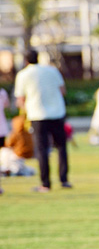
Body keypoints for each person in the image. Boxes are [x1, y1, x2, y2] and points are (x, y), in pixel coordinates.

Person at [14, 50, 70, 192]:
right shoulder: (52, 71)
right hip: (57, 113)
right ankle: (64, 180)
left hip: (37, 115)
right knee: (61, 147)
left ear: (26, 60)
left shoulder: (23, 74)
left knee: (41, 149)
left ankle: (45, 183)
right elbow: (63, 91)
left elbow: (21, 99)